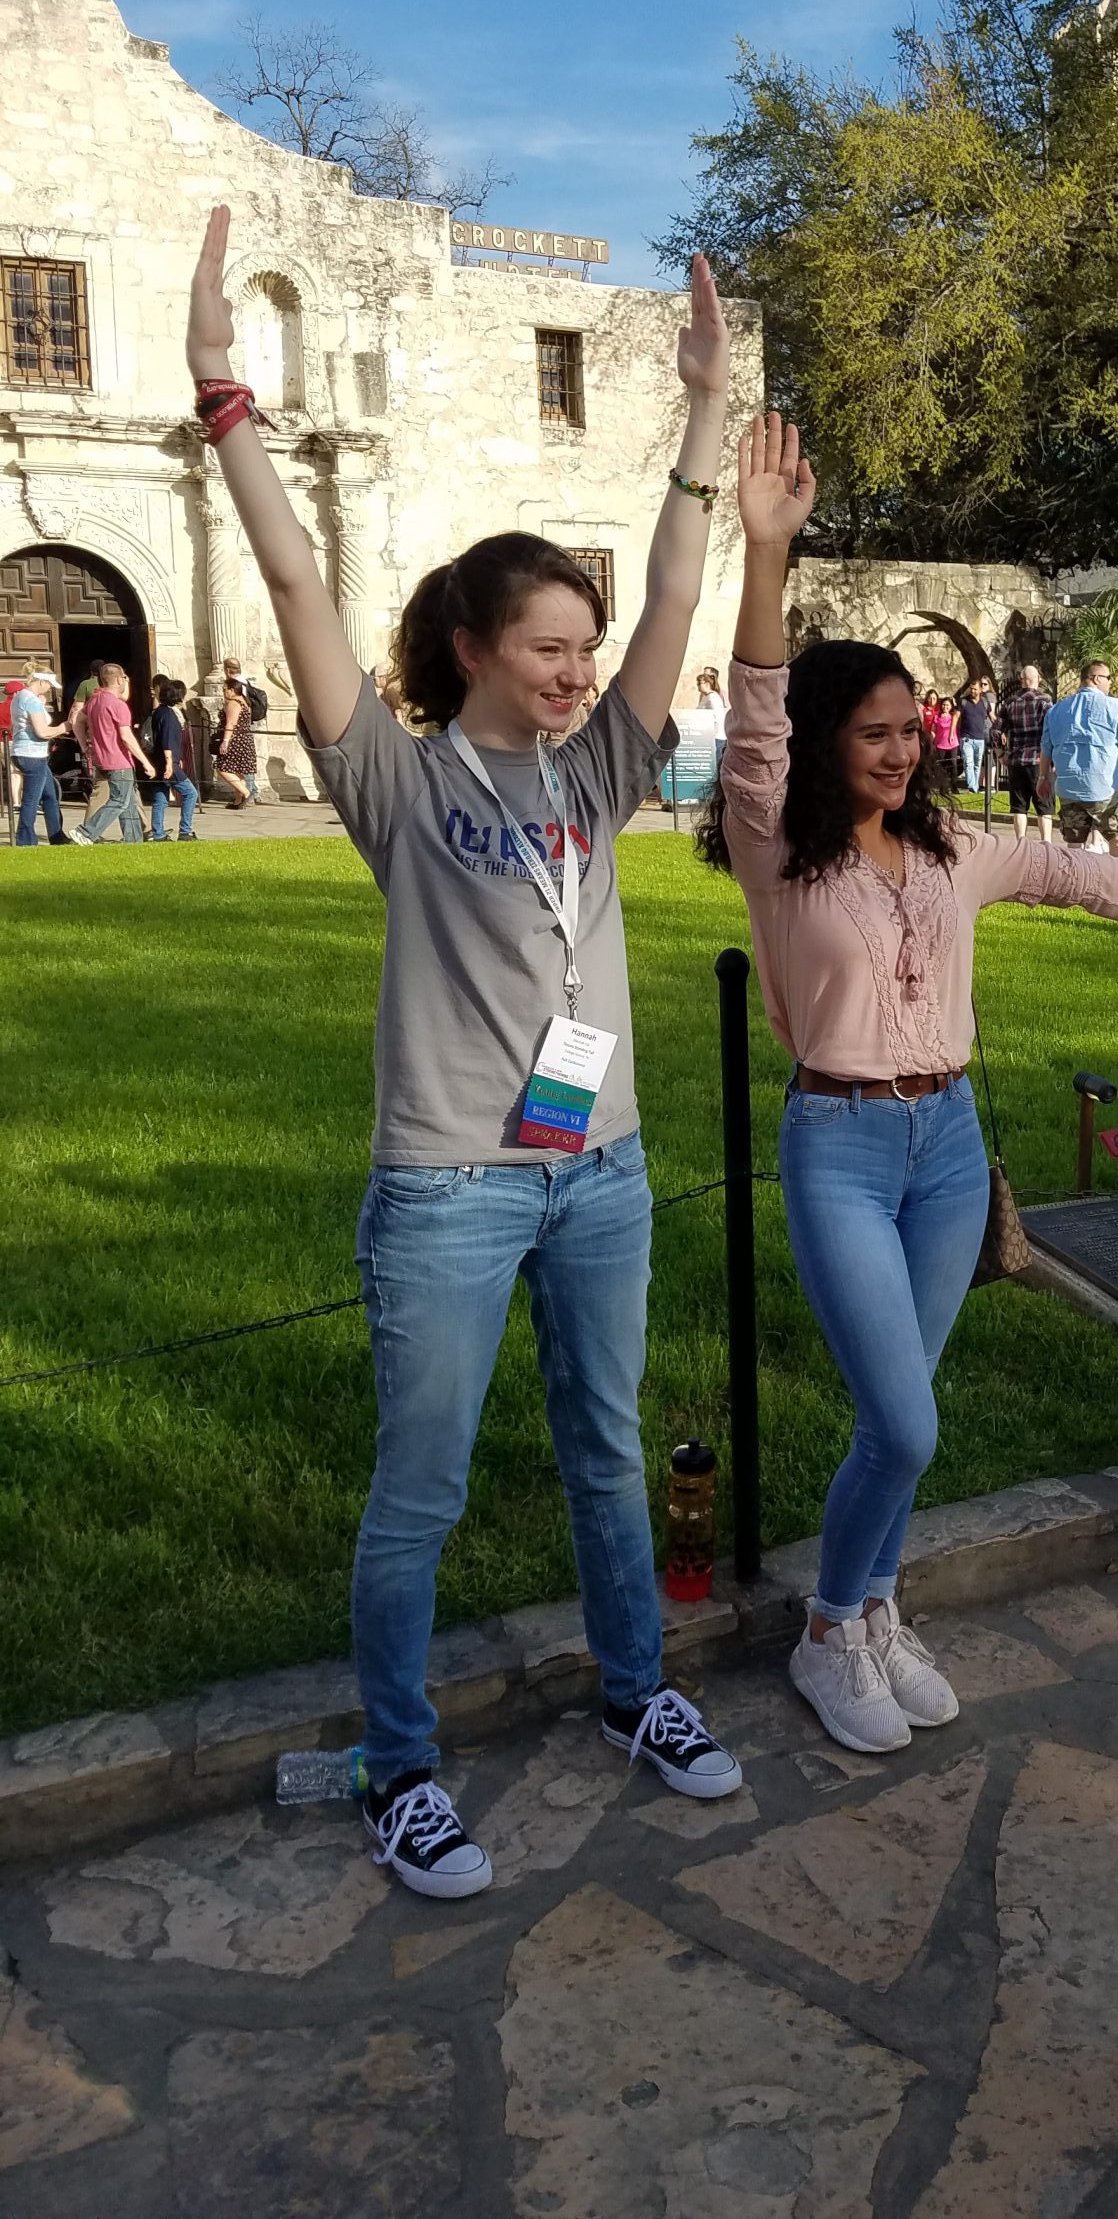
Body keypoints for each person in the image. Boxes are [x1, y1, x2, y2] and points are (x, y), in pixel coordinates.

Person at [183, 202, 746, 1899]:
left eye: (589, 652)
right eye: (550, 651)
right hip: (449, 1191)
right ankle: (401, 1769)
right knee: (419, 1490)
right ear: (475, 652)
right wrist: (226, 396)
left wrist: (706, 416)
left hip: (605, 1172)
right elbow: (292, 576)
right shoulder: (400, 785)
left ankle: (637, 1692)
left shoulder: (605, 771)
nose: (583, 674)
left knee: (605, 1444)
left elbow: (675, 587)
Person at [701, 415, 1118, 1753]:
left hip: (948, 1142)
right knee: (908, 1418)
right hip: (840, 1139)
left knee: (905, 1413)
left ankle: (870, 1605)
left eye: (907, 731)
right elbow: (752, 718)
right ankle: (832, 1630)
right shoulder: (781, 851)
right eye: (871, 734)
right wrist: (766, 549)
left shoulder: (950, 850)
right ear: (826, 741)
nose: (899, 752)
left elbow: (1064, 870)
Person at [1042, 659, 1118, 852]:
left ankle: (1077, 879)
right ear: (1096, 678)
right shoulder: (1113, 706)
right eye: (1108, 678)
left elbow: (1046, 747)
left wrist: (1043, 777)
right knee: (1117, 832)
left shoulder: (1057, 709)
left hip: (1068, 786)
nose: (1110, 682)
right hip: (1103, 786)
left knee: (1074, 839)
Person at [70, 662, 152, 844]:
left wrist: (84, 746)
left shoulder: (95, 700)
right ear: (117, 679)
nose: (125, 681)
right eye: (124, 678)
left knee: (128, 802)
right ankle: (86, 832)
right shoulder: (117, 705)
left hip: (100, 759)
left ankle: (133, 841)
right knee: (119, 801)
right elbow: (126, 736)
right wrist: (145, 762)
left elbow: (76, 721)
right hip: (119, 761)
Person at [10, 667, 73, 845]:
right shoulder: (32, 701)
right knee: (31, 799)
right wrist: (63, 728)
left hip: (22, 751)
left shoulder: (19, 696)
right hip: (32, 755)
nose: (49, 689)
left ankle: (57, 835)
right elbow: (42, 732)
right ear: (41, 681)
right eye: (49, 685)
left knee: (50, 795)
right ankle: (25, 840)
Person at [997, 663, 1055, 842]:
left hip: (1016, 761)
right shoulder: (1045, 702)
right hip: (1039, 760)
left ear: (1021, 681)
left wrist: (1000, 754)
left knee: (1019, 807)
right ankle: (1046, 843)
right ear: (1037, 680)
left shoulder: (1009, 702)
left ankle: (1021, 842)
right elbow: (1053, 730)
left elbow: (995, 731)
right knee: (1044, 807)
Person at [146, 677, 200, 841]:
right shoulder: (169, 715)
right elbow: (167, 739)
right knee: (191, 793)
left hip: (161, 761)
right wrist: (171, 762)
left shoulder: (160, 711)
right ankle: (185, 830)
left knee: (160, 797)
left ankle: (158, 833)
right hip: (167, 762)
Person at [211, 660, 257, 808]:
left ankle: (247, 793)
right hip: (245, 739)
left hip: (235, 739)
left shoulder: (233, 703)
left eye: (225, 689)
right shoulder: (245, 701)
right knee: (238, 770)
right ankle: (238, 800)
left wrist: (225, 741)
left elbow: (230, 724)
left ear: (232, 689)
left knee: (222, 767)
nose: (224, 692)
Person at [958, 678, 995, 793]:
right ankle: (972, 787)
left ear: (980, 691)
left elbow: (992, 716)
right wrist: (952, 734)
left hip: (980, 738)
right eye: (971, 689)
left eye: (975, 689)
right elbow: (956, 717)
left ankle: (975, 786)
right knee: (968, 762)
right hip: (967, 737)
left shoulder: (984, 702)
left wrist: (1000, 728)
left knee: (977, 764)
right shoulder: (964, 701)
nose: (972, 691)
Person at [931, 695, 961, 792]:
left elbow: (959, 711)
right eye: (943, 705)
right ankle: (943, 787)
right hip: (940, 744)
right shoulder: (937, 716)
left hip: (952, 743)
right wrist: (932, 741)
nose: (945, 707)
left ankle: (954, 786)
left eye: (947, 705)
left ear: (951, 706)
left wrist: (955, 703)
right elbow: (933, 730)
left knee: (953, 765)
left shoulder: (953, 717)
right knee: (942, 766)